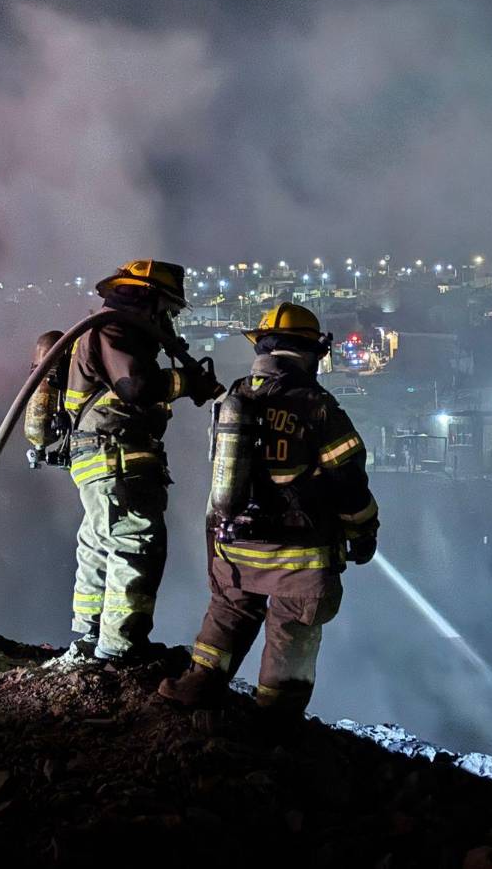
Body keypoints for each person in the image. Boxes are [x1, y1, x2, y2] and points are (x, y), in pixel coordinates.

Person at [158, 302, 379, 713]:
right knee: (291, 633)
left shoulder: (236, 395)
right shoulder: (318, 406)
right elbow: (350, 483)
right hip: (300, 557)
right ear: (311, 352)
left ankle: (196, 689)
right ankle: (273, 724)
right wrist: (364, 531)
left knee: (228, 615)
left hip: (234, 546)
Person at [48, 259, 220, 667]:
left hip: (103, 458)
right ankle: (120, 649)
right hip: (116, 455)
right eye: (169, 310)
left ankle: (91, 639)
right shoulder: (116, 329)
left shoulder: (109, 328)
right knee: (135, 544)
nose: (170, 321)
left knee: (100, 544)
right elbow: (135, 387)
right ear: (150, 300)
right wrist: (187, 383)